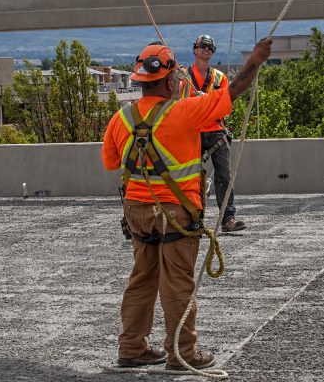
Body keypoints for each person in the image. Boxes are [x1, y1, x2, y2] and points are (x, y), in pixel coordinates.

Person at [102, 38, 272, 370]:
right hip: (175, 214)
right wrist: (255, 61)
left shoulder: (119, 120)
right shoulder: (184, 112)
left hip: (137, 212)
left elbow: (112, 163)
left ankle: (132, 347)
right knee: (178, 282)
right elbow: (233, 90)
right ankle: (183, 353)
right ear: (168, 82)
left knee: (142, 278)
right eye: (176, 76)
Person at [181, 34, 245, 233]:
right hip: (193, 131)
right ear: (195, 50)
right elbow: (178, 106)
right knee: (190, 177)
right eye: (203, 46)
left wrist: (207, 99)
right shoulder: (183, 78)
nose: (207, 49)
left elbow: (226, 107)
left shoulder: (219, 78)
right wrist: (199, 102)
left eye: (210, 47)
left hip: (216, 131)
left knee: (224, 176)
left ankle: (228, 219)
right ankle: (193, 220)